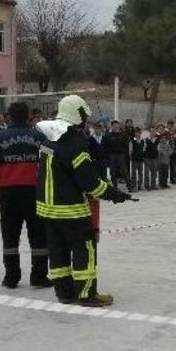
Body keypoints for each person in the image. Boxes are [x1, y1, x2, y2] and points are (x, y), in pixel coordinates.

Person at [36, 95, 131, 307]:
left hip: (47, 210)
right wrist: (114, 194)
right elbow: (89, 183)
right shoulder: (75, 143)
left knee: (58, 251)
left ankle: (65, 293)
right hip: (71, 210)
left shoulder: (48, 140)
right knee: (84, 249)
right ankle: (87, 294)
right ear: (78, 115)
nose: (86, 121)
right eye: (84, 116)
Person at [0, 102, 50, 290]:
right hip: (35, 192)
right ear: (28, 116)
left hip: (9, 193)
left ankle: (11, 277)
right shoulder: (40, 138)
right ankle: (39, 276)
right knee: (39, 235)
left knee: (10, 237)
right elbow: (52, 163)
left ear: (9, 116)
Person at [103, 120, 131, 191]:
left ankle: (129, 186)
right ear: (112, 127)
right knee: (113, 172)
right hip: (111, 156)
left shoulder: (122, 135)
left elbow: (126, 145)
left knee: (124, 171)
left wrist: (125, 154)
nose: (116, 127)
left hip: (120, 155)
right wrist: (107, 157)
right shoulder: (108, 135)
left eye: (117, 126)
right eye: (114, 126)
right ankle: (115, 187)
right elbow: (105, 146)